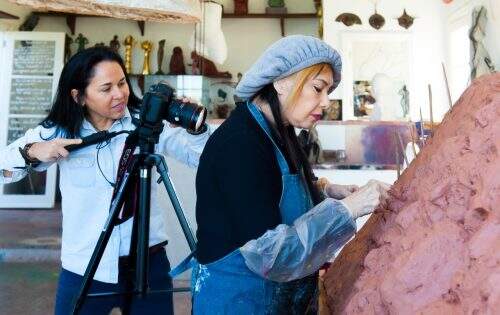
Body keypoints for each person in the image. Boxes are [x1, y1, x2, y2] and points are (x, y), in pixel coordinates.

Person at [0, 47, 210, 315]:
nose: (119, 94)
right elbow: (3, 167)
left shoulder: (145, 122)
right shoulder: (58, 129)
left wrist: (198, 130)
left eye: (122, 83)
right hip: (86, 263)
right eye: (106, 88)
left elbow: (204, 157)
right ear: (78, 96)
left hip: (149, 261)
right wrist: (31, 151)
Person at [190, 35, 390, 313]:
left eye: (328, 91)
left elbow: (275, 190)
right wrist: (346, 210)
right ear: (281, 81)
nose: (325, 102)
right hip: (241, 301)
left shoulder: (281, 131)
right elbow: (271, 253)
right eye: (318, 88)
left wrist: (326, 191)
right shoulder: (240, 143)